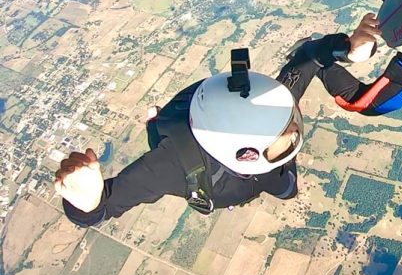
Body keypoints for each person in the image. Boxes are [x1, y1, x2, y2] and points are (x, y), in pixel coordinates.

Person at [54, 41, 367, 226]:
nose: (295, 130)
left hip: (238, 165)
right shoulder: (171, 167)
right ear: (246, 152)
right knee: (287, 187)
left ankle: (281, 183)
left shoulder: (269, 109)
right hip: (210, 180)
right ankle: (157, 124)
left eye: (291, 120)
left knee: (286, 187)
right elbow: (103, 208)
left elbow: (308, 57)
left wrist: (347, 46)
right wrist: (86, 200)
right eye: (287, 136)